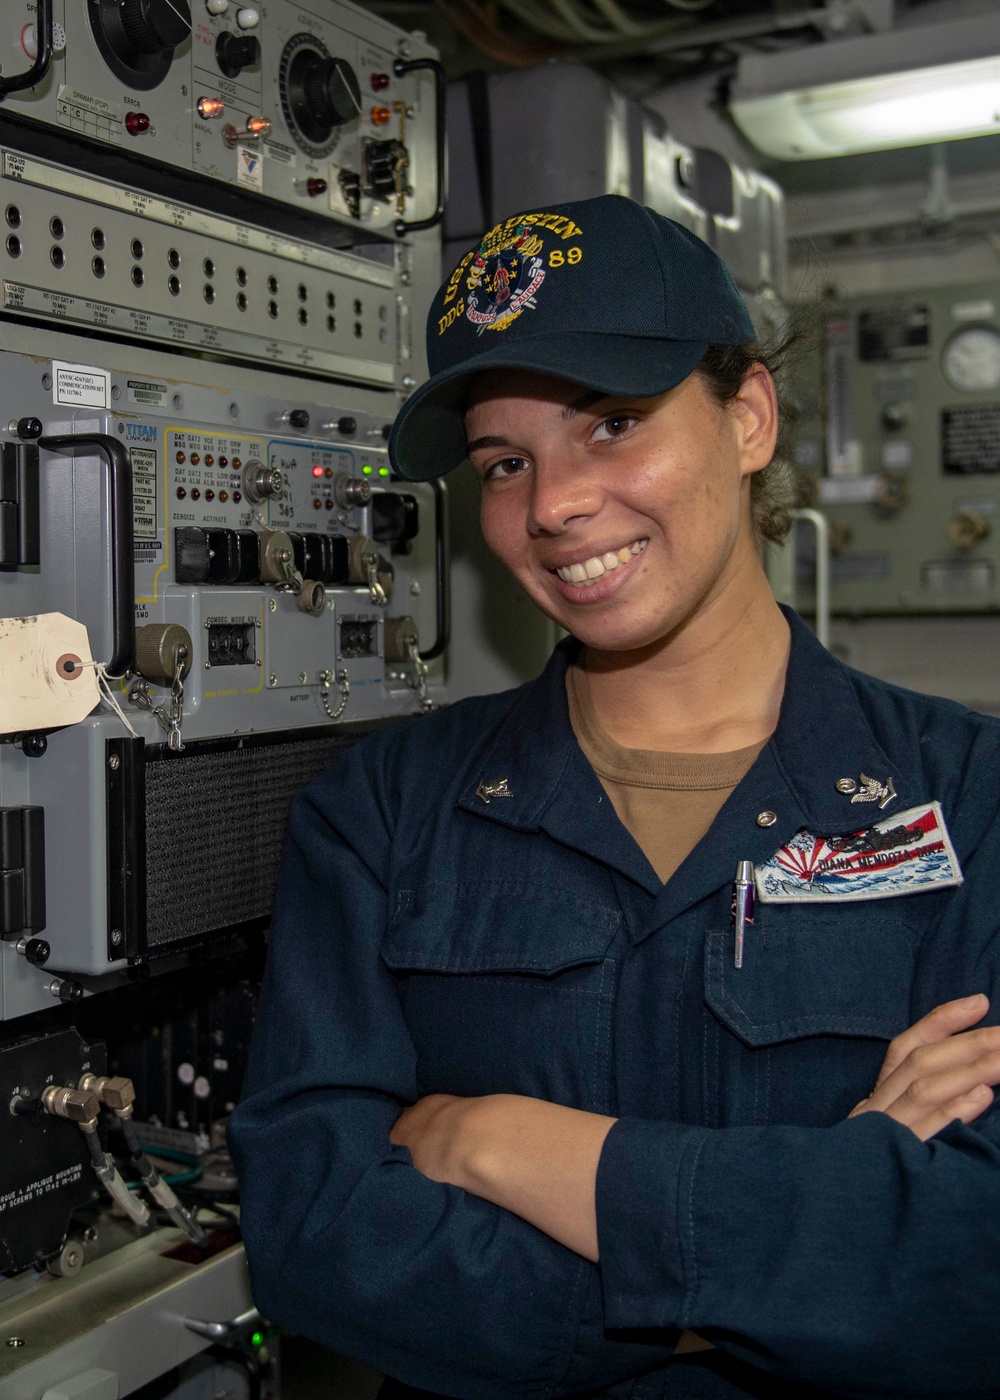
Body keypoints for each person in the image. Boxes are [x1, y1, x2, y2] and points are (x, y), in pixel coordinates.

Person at [229, 196, 1000, 1400]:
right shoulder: (381, 812)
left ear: (746, 417)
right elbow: (314, 1229)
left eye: (610, 423)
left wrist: (511, 1145)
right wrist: (796, 1250)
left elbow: (975, 1261)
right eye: (504, 463)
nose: (551, 506)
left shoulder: (972, 796)